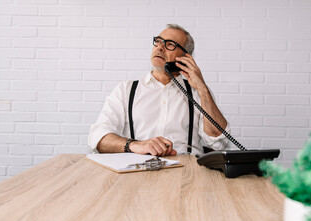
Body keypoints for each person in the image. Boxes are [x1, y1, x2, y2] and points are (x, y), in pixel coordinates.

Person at [88, 24, 230, 156]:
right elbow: (97, 137)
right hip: (136, 170)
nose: (160, 47)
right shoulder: (126, 89)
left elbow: (219, 144)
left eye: (170, 44)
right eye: (158, 41)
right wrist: (136, 145)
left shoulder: (198, 93)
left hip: (186, 171)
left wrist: (202, 88)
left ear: (185, 58)